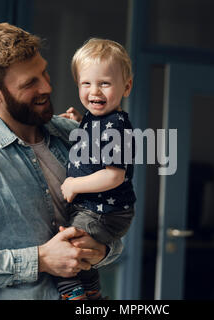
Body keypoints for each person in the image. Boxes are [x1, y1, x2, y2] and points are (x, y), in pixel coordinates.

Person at [0, 23, 122, 300]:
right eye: (30, 83)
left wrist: (102, 249)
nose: (47, 86)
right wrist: (40, 259)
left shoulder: (73, 136)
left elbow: (113, 217)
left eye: (43, 72)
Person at [55, 38, 136, 300]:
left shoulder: (116, 128)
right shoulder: (97, 118)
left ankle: (74, 295)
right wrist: (80, 122)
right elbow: (94, 143)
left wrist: (74, 185)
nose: (94, 92)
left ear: (126, 86)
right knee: (77, 244)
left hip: (105, 212)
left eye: (105, 83)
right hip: (94, 208)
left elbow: (114, 174)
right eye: (86, 83)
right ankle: (91, 290)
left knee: (65, 247)